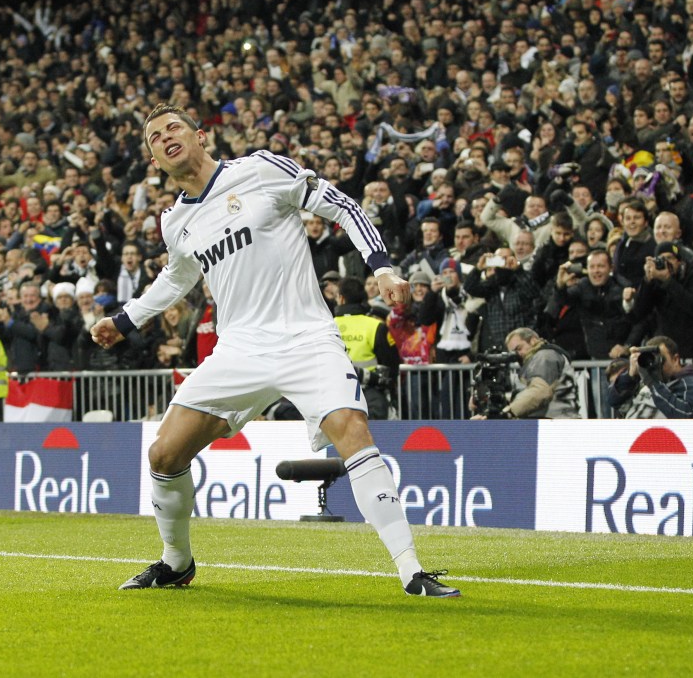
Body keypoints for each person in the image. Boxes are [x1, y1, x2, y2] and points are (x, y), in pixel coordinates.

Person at [91, 104, 459, 598]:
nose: (165, 137)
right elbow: (177, 277)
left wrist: (383, 267)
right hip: (238, 348)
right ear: (155, 160)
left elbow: (343, 206)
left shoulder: (261, 169)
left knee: (350, 427)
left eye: (173, 127)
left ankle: (411, 570)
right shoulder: (175, 221)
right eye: (155, 136)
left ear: (201, 135)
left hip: (305, 336)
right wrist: (124, 320)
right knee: (163, 452)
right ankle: (177, 563)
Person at [333, 276, 400, 420]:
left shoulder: (327, 327)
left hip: (333, 396)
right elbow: (392, 364)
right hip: (369, 396)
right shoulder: (375, 326)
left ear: (341, 298)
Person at [607, 336, 693, 418]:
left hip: (662, 439)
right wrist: (630, 376)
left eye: (661, 359)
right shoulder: (645, 376)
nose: (655, 364)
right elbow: (614, 402)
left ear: (676, 359)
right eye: (652, 358)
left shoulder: (692, 382)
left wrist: (652, 383)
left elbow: (686, 415)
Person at [496, 327, 581, 419]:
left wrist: (509, 411)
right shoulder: (543, 357)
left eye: (519, 348)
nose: (517, 354)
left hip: (555, 422)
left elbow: (540, 392)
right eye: (513, 352)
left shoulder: (544, 356)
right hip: (559, 419)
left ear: (533, 340)